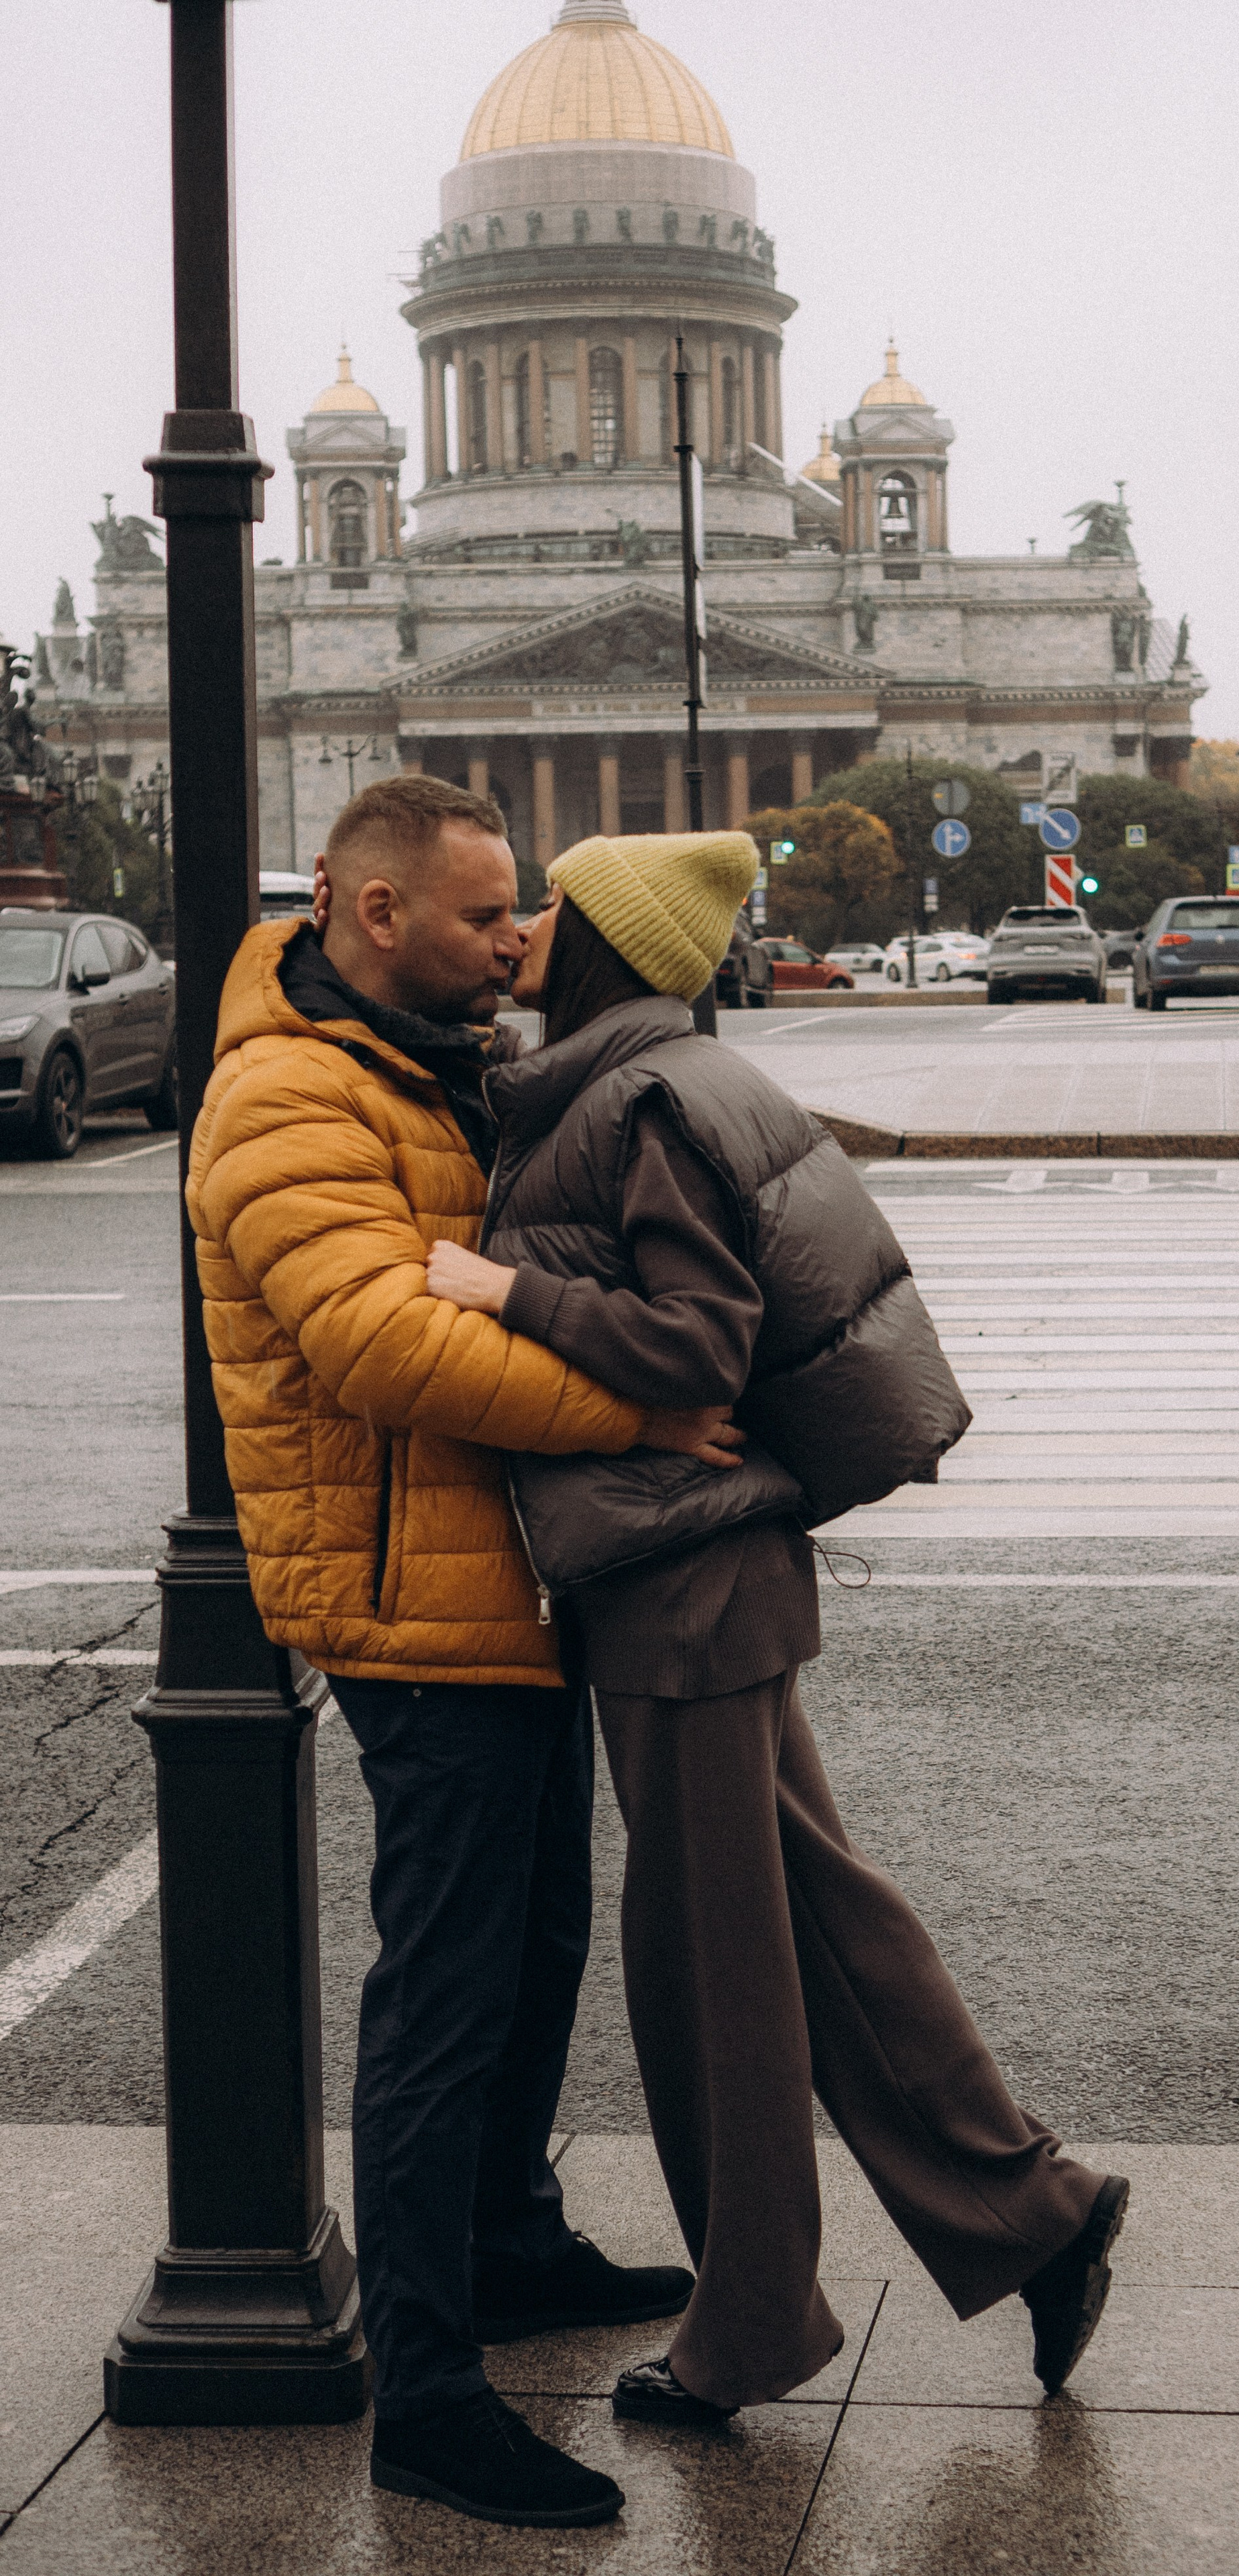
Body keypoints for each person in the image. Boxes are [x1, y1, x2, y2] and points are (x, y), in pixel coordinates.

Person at [425, 828, 1129, 2426]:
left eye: (554, 904)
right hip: (706, 1578)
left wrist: (497, 1295)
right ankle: (1034, 2212)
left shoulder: (638, 1101)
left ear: (606, 939)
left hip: (678, 1582)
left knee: (709, 1975)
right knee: (818, 1925)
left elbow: (696, 1340)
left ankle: (746, 2329)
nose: (526, 923)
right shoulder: (663, 1077)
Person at [187, 776, 747, 2532]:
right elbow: (376, 1344)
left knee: (533, 1948)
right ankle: (428, 2392)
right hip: (409, 1599)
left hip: (498, 1575)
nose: (522, 940)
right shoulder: (286, 1089)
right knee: (443, 1997)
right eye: (487, 914)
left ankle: (506, 2245)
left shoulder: (423, 1057)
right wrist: (647, 1403)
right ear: (374, 916)